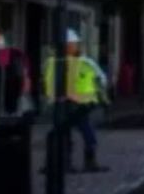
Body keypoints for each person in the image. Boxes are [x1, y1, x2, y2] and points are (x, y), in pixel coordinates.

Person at [42, 31, 110, 173]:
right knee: (64, 133)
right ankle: (65, 163)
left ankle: (83, 162)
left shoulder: (84, 62)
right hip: (63, 103)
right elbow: (47, 81)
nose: (70, 47)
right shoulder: (53, 62)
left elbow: (101, 79)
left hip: (80, 105)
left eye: (72, 44)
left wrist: (94, 95)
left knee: (80, 132)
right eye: (68, 45)